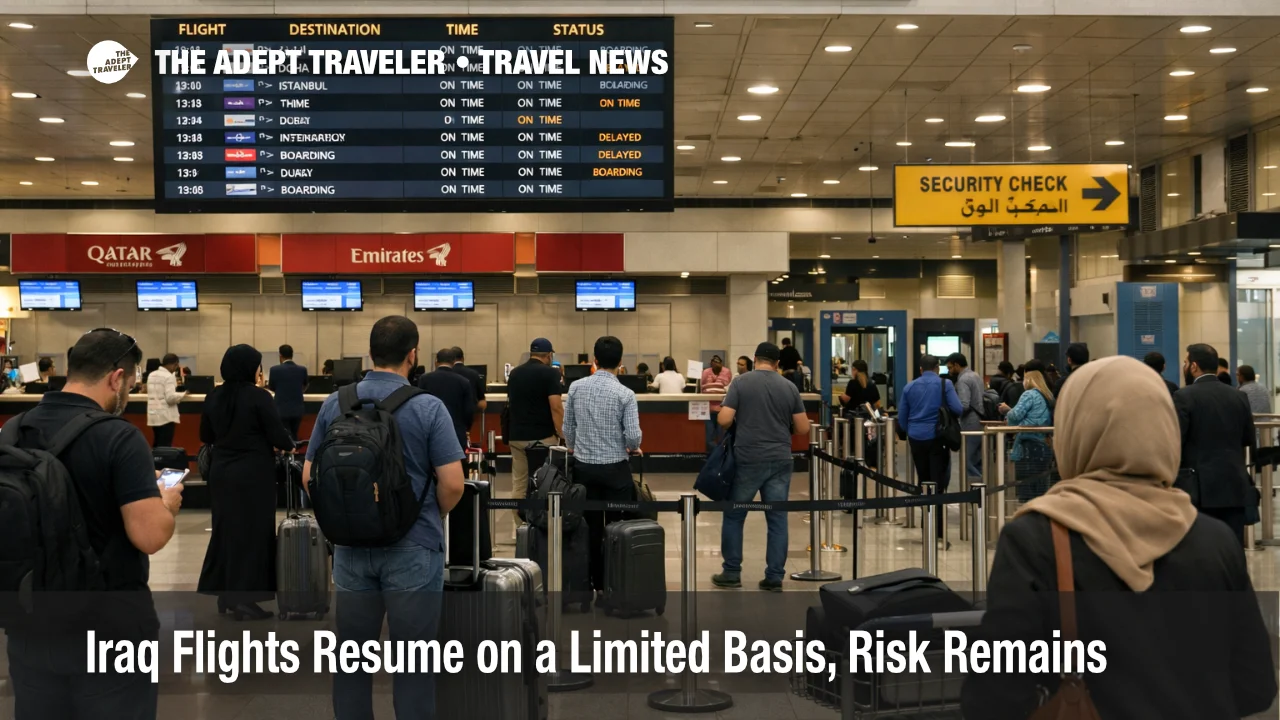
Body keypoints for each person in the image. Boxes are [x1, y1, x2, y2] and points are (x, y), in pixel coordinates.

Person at [961, 355, 1277, 719]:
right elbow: (1255, 686)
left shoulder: (1035, 538)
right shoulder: (1214, 539)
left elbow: (992, 697)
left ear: (1074, 427)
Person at [2, 329, 182, 720]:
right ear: (116, 378)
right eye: (130, 385)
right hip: (109, 625)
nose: (128, 395)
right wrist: (165, 502)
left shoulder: (14, 430)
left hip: (31, 620)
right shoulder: (117, 436)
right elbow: (149, 536)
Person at [303, 316, 465, 720]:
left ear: (370, 353)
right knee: (414, 663)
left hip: (352, 549)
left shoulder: (335, 403)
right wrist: (425, 514)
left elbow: (309, 477)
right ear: (413, 355)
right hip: (414, 548)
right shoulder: (427, 407)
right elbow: (453, 484)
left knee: (353, 661)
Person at [198, 345, 295, 621]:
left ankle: (226, 594)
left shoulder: (214, 395)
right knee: (253, 536)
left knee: (226, 532)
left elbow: (206, 433)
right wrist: (287, 445)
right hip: (253, 475)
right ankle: (245, 601)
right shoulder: (259, 397)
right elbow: (277, 435)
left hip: (221, 474)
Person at [712, 342, 810, 592]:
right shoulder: (789, 387)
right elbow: (803, 428)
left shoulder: (741, 383)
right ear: (777, 363)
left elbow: (724, 419)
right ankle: (774, 577)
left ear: (755, 359)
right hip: (780, 459)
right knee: (777, 518)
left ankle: (732, 572)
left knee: (735, 514)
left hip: (747, 458)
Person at [561, 336, 642, 596]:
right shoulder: (625, 394)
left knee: (590, 528)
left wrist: (574, 445)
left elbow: (567, 428)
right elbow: (633, 436)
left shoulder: (576, 388)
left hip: (583, 469)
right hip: (616, 470)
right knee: (617, 528)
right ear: (620, 361)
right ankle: (613, 584)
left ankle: (591, 583)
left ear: (594, 360)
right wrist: (632, 446)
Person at [1174, 343, 1256, 544]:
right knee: (1233, 548)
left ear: (1193, 367)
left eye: (1185, 362)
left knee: (1201, 549)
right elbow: (1248, 438)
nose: (1184, 367)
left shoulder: (1183, 396)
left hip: (1198, 489)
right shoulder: (1239, 396)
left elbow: (1176, 440)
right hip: (1234, 484)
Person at [897, 354, 963, 538]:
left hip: (916, 438)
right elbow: (958, 409)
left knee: (924, 480)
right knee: (938, 483)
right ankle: (938, 530)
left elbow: (902, 419)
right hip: (937, 438)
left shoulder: (909, 387)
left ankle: (926, 523)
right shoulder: (945, 385)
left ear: (920, 369)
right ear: (937, 368)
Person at [506, 338, 564, 528]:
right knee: (544, 482)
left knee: (520, 482)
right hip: (542, 437)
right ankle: (543, 526)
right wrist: (563, 435)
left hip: (517, 436)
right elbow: (556, 407)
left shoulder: (514, 373)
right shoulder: (550, 374)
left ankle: (521, 527)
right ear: (549, 355)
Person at [999, 366, 1055, 501]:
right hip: (1044, 444)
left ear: (1029, 380)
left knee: (1026, 489)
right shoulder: (1047, 396)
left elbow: (1015, 415)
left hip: (1028, 445)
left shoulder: (1029, 394)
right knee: (1040, 489)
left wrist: (1006, 410)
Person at [417, 347, 475, 449]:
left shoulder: (424, 379)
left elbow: (419, 406)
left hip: (430, 433)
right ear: (453, 362)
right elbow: (469, 410)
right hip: (456, 433)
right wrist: (466, 428)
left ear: (436, 362)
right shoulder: (464, 382)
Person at [945, 352, 985, 480]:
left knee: (967, 461)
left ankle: (974, 492)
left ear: (957, 365)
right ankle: (980, 490)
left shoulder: (963, 380)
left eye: (950, 367)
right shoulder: (975, 375)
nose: (949, 371)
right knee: (976, 459)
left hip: (970, 423)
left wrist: (950, 414)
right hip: (980, 421)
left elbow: (964, 404)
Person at [268, 344, 308, 441]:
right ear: (292, 355)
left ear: (280, 356)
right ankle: (293, 452)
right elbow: (305, 385)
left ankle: (286, 454)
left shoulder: (274, 370)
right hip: (298, 409)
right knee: (294, 434)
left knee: (283, 435)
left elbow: (271, 387)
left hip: (281, 409)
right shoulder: (302, 370)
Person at [145, 352, 185, 448]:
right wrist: (183, 394)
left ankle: (155, 463)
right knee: (165, 447)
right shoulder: (169, 376)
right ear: (174, 364)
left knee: (157, 444)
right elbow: (170, 398)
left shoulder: (151, 375)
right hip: (165, 417)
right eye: (176, 366)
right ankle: (162, 463)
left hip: (153, 415)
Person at [701, 355, 732, 452]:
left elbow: (729, 387)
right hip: (708, 409)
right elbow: (702, 387)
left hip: (722, 409)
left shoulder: (726, 372)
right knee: (709, 439)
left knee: (722, 438)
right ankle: (716, 455)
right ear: (711, 363)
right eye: (714, 362)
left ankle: (721, 457)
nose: (716, 364)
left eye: (718, 362)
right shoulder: (706, 372)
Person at [450, 346, 487, 416]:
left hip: (450, 413)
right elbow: (481, 398)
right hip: (469, 413)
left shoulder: (447, 373)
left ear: (451, 359)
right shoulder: (474, 373)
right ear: (463, 358)